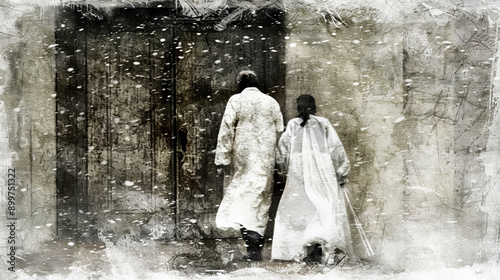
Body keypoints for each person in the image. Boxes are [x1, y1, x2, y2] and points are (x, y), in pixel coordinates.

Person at [271, 94, 351, 265]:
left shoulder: (293, 125)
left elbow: (282, 151)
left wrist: (283, 172)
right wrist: (341, 172)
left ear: (298, 108)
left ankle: (303, 247)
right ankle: (322, 244)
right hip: (322, 169)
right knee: (324, 204)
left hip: (299, 169)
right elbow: (336, 149)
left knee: (300, 207)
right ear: (314, 107)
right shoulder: (323, 123)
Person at [215, 70, 284, 261]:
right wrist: (279, 159)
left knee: (243, 194)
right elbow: (280, 130)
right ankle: (256, 244)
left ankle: (249, 239)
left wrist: (222, 159)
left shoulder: (236, 100)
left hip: (244, 155)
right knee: (262, 195)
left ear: (240, 83)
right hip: (265, 154)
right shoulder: (270, 102)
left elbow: (226, 130)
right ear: (257, 83)